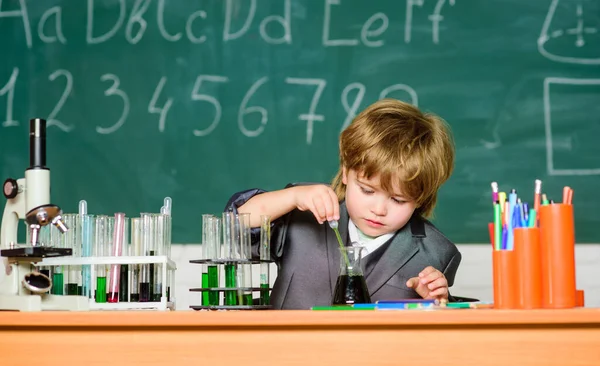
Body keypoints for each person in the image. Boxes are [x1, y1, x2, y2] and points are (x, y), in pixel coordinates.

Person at [225, 98, 461, 309]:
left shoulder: (437, 251)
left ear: (420, 197)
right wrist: (292, 197)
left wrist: (437, 302)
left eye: (398, 200)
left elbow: (436, 336)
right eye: (367, 190)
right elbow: (235, 224)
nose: (379, 210)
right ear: (346, 172)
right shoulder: (301, 213)